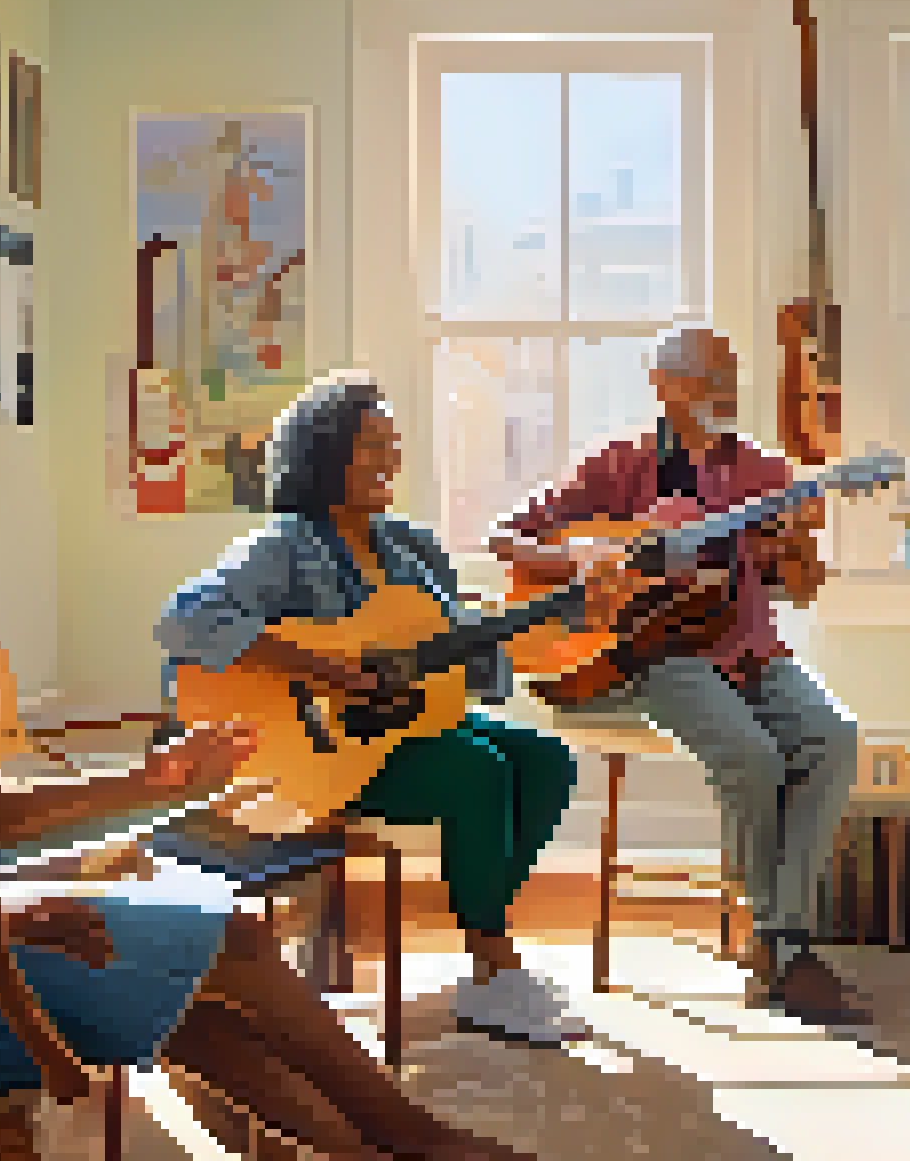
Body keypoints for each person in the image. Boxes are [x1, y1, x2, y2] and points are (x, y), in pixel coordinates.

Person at [0, 357, 528, 1160]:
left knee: (190, 994)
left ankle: (381, 1149)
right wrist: (0, 911)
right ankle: (420, 1140)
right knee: (229, 943)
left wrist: (156, 782)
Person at [156, 375, 629, 1046]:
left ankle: (488, 951)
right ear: (325, 454)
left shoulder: (412, 547)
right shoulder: (285, 545)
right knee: (479, 770)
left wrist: (577, 617)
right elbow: (185, 619)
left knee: (547, 758)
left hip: (408, 729)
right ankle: (494, 965)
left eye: (392, 444)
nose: (389, 459)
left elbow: (468, 640)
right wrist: (323, 668)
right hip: (319, 751)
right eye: (371, 444)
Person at [491, 326, 867, 1027]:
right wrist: (588, 561)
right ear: (663, 385)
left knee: (835, 738)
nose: (724, 392)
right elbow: (507, 537)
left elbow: (802, 590)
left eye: (729, 377)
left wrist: (798, 547)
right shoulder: (619, 465)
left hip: (750, 648)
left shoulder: (767, 474)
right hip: (653, 652)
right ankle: (786, 946)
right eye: (706, 377)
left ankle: (775, 936)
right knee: (753, 757)